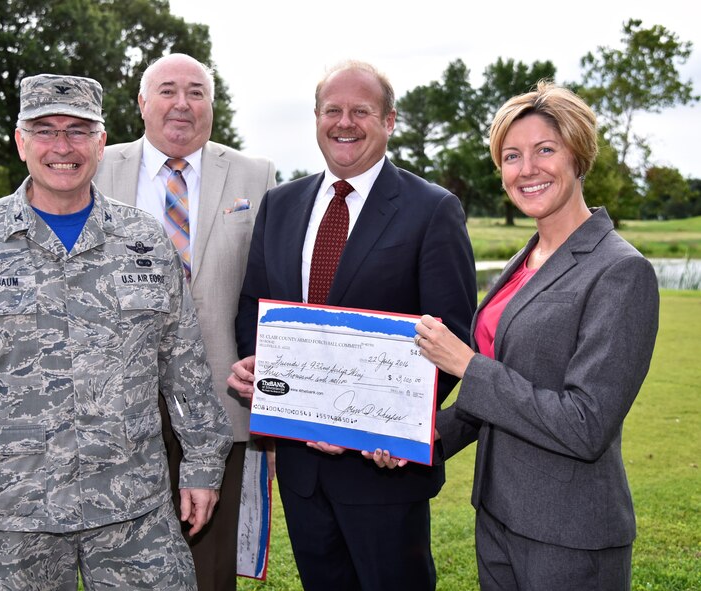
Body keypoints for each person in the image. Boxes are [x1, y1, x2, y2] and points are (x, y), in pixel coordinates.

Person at [0, 73, 232, 590]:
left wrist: (202, 463)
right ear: (21, 141)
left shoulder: (143, 241)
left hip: (132, 511)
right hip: (7, 518)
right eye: (45, 130)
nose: (62, 147)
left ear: (102, 143)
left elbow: (184, 367)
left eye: (79, 130)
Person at [229, 60, 477, 590]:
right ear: (317, 118)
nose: (345, 122)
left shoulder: (432, 209)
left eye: (361, 111)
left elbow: (452, 335)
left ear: (389, 121)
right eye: (332, 110)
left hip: (381, 468)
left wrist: (389, 419)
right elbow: (255, 308)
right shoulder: (280, 204)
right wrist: (262, 373)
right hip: (301, 469)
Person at [414, 81, 659, 591]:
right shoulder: (523, 262)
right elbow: (503, 393)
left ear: (578, 154)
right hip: (498, 516)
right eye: (511, 156)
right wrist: (423, 436)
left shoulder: (621, 271)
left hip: (569, 535)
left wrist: (467, 365)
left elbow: (584, 424)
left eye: (544, 150)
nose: (527, 169)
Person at [92, 53, 276, 591]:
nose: (181, 104)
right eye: (167, 90)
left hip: (222, 401)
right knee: (119, 555)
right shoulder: (97, 166)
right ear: (142, 103)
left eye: (196, 92)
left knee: (211, 562)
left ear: (212, 106)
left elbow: (272, 283)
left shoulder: (255, 175)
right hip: (115, 405)